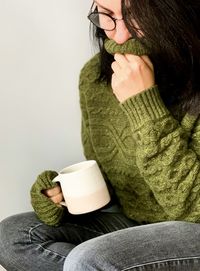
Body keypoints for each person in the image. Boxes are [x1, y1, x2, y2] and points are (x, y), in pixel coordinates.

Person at [1, 0, 200, 270]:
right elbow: (114, 184)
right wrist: (65, 196)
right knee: (12, 237)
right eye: (106, 16)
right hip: (133, 223)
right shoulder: (94, 78)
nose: (119, 35)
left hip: (193, 228)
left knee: (90, 260)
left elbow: (193, 209)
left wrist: (144, 106)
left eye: (135, 16)